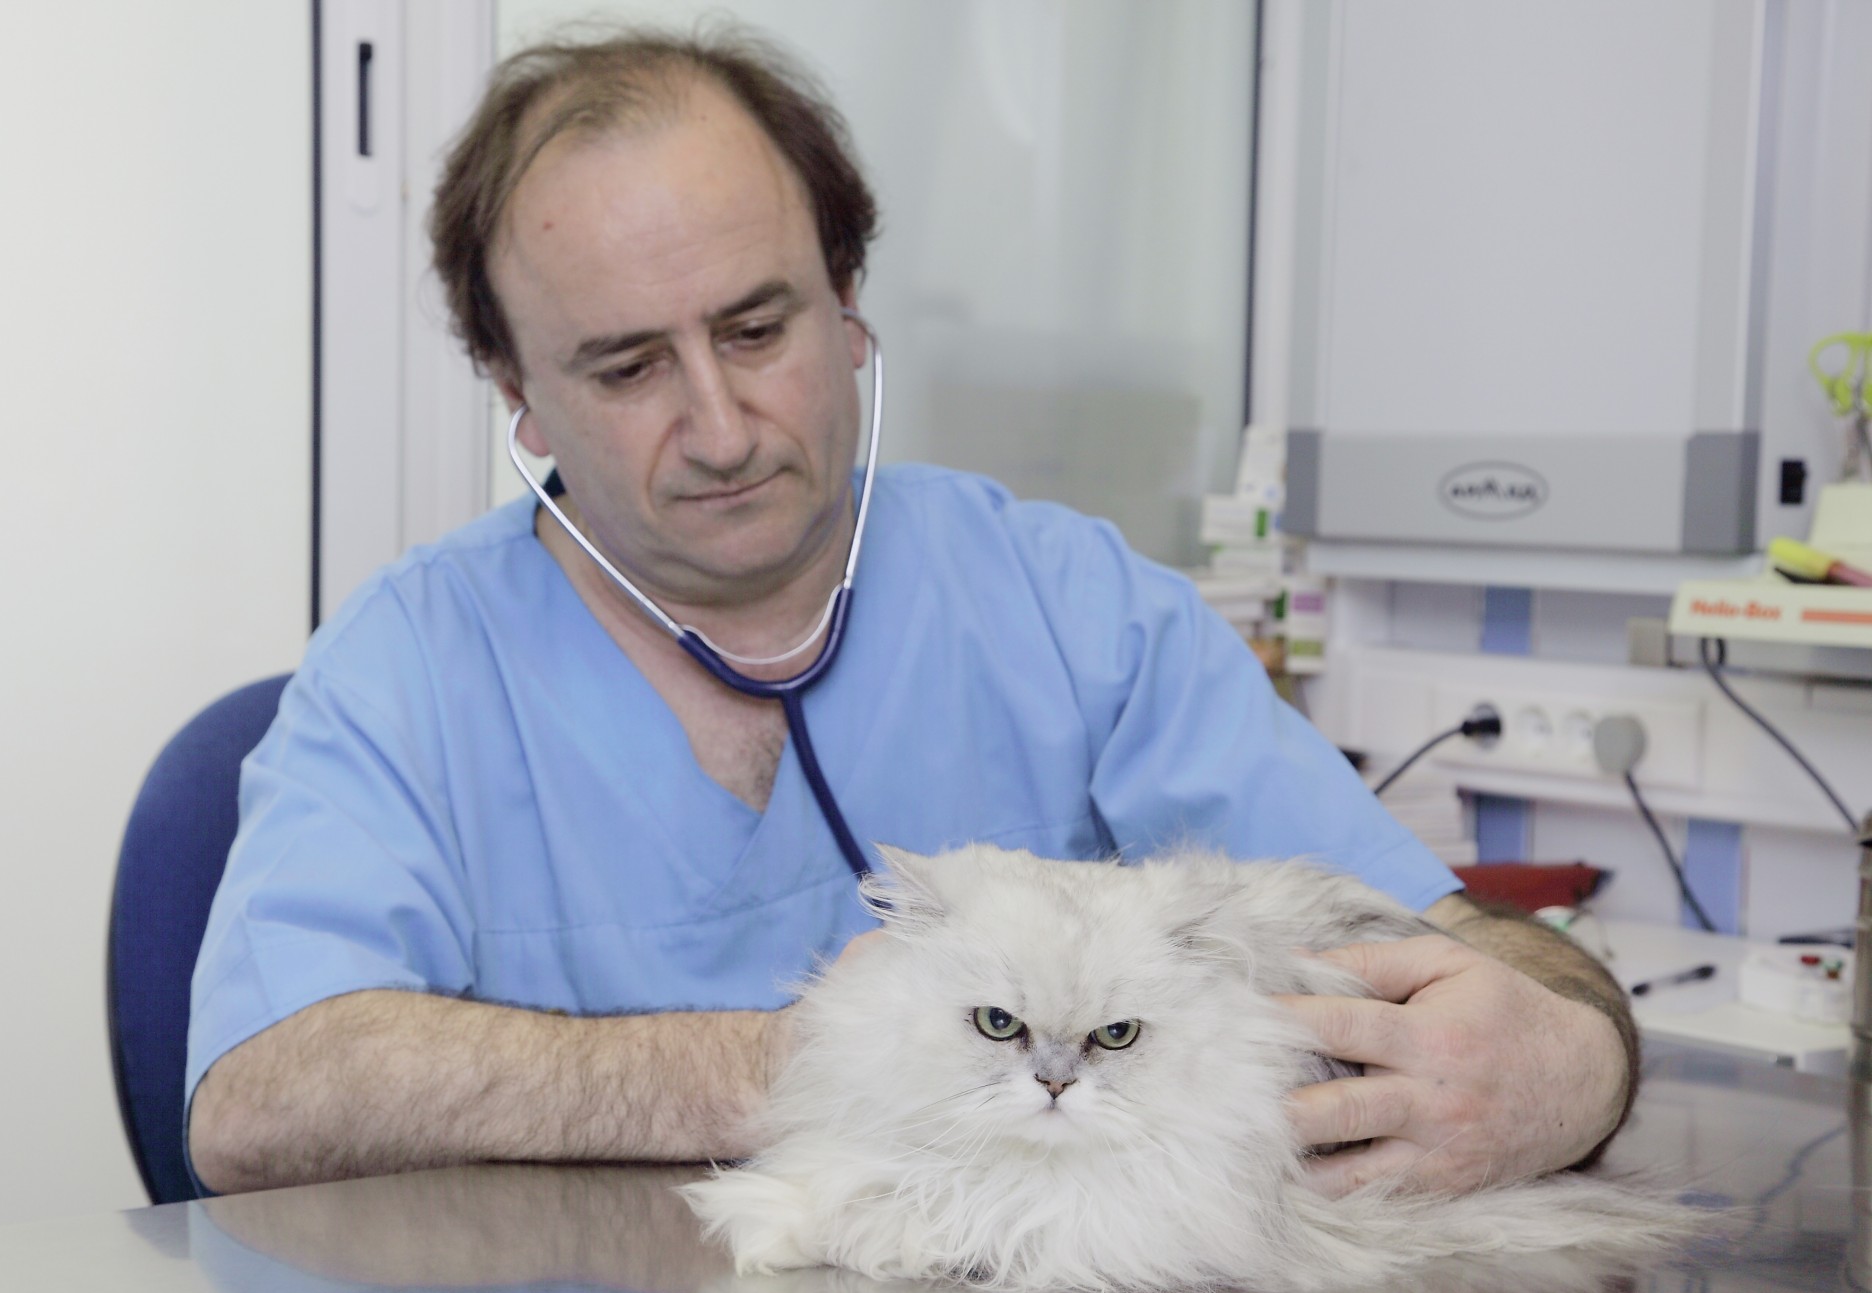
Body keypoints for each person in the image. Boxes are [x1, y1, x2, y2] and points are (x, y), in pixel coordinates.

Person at [185, 27, 1634, 1199]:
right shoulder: (411, 665)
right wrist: (807, 1062)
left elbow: (1450, 946)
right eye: (627, 368)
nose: (721, 426)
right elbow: (257, 1100)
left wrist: (1574, 1065)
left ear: (849, 304)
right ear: (519, 396)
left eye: (759, 328)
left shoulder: (1072, 609)